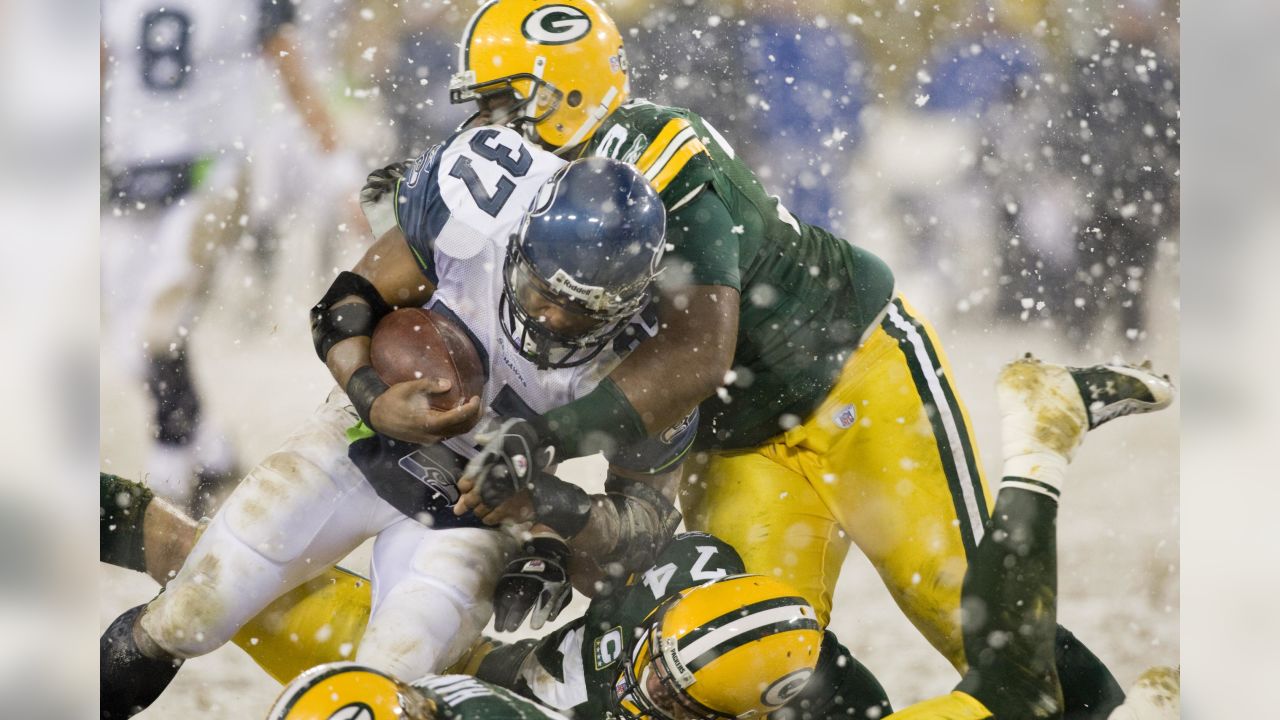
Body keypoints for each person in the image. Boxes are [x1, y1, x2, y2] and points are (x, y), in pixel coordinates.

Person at [427, 1, 1126, 714]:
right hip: (737, 440)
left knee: (968, 614)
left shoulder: (659, 154)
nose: (487, 122)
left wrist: (545, 440)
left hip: (852, 372)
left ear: (565, 92)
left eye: (503, 99)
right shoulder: (532, 191)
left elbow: (699, 354)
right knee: (742, 661)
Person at [100, 140, 693, 717]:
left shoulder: (663, 348)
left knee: (386, 687)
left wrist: (547, 520)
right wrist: (372, 396)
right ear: (520, 241)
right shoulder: (484, 212)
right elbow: (344, 303)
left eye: (582, 310)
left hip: (473, 515)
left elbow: (644, 528)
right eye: (543, 289)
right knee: (188, 614)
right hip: (361, 443)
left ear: (630, 302)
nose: (551, 316)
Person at [259, 356, 1178, 720]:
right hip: (660, 635)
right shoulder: (414, 684)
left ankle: (1039, 446)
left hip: (701, 641)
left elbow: (747, 624)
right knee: (1021, 693)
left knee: (1012, 689)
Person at [101, 0, 356, 514]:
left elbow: (291, 69)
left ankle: (169, 467)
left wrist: (340, 169)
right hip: (131, 170)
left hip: (211, 167)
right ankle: (211, 446)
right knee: (133, 341)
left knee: (162, 316)